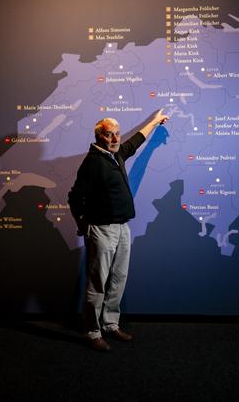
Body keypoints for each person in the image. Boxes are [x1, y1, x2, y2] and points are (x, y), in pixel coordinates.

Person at [68, 108, 169, 352]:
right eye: (109, 135)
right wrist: (81, 223)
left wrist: (154, 122)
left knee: (118, 279)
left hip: (122, 228)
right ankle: (93, 332)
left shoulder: (116, 154)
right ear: (98, 137)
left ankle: (111, 324)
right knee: (98, 283)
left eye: (117, 134)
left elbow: (135, 141)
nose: (116, 139)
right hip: (101, 229)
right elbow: (74, 197)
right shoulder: (92, 162)